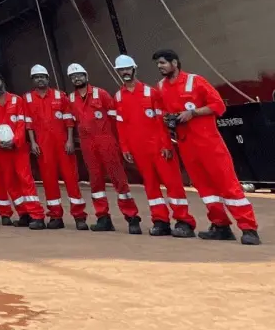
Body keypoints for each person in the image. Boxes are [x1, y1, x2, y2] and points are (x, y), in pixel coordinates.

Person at [154, 49, 259, 244]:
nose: (160, 67)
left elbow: (218, 105)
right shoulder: (160, 87)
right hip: (187, 145)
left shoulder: (195, 81)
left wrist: (193, 113)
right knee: (205, 189)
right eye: (158, 64)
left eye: (162, 63)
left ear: (175, 63)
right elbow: (163, 116)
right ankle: (220, 226)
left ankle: (248, 228)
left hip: (209, 143)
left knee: (227, 184)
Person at [112, 54, 194, 238]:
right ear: (118, 72)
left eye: (127, 69)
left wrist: (166, 144)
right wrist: (125, 148)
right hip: (138, 150)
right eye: (121, 70)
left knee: (173, 184)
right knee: (151, 186)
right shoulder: (118, 97)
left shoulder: (151, 92)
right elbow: (121, 125)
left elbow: (161, 121)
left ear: (134, 69)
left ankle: (184, 221)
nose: (125, 72)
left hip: (159, 147)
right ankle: (160, 221)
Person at [68, 63, 141, 234]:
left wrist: (120, 141)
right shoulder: (71, 99)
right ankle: (103, 217)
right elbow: (70, 121)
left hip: (106, 140)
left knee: (118, 179)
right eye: (73, 76)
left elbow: (116, 118)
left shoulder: (101, 94)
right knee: (95, 180)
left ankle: (132, 217)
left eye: (79, 75)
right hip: (87, 144)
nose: (77, 78)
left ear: (86, 76)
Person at [24, 64, 87, 230]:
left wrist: (70, 141)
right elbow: (28, 123)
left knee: (71, 179)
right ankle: (55, 216)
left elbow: (69, 120)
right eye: (36, 77)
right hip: (43, 146)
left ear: (47, 78)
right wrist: (33, 142)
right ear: (32, 80)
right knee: (49, 181)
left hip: (63, 144)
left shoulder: (60, 96)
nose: (40, 79)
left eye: (42, 77)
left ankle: (79, 217)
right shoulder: (28, 99)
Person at [0, 75, 45, 228]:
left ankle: (37, 216)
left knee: (25, 180)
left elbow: (21, 122)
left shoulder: (17, 100)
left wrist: (15, 141)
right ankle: (23, 213)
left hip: (18, 149)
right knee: (10, 182)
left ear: (3, 83)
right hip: (2, 150)